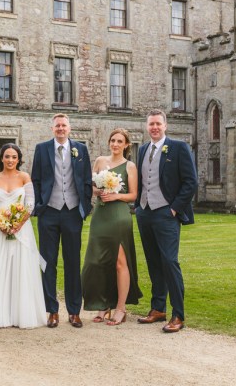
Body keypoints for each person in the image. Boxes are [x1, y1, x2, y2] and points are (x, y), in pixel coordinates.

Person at [135, 109, 197, 333]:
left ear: (165, 125)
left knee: (170, 262)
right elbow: (142, 182)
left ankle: (178, 315)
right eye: (151, 124)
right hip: (144, 212)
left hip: (166, 213)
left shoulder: (179, 147)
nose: (154, 127)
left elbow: (191, 182)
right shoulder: (142, 149)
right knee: (153, 262)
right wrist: (138, 207)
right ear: (146, 126)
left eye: (158, 124)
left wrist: (173, 210)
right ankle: (158, 308)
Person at [32, 113, 92, 328]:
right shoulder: (42, 149)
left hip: (73, 212)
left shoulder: (81, 150)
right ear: (52, 128)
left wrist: (85, 206)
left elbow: (86, 180)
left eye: (64, 125)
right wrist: (40, 205)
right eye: (57, 125)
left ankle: (74, 311)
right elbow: (36, 179)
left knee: (72, 262)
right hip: (49, 211)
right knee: (48, 262)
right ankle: (52, 310)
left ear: (69, 128)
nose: (60, 129)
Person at [0, 144, 47, 329]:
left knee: (21, 267)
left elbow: (31, 204)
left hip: (21, 229)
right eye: (7, 156)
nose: (10, 160)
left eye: (14, 157)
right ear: (0, 158)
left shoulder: (24, 177)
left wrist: (17, 223)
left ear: (18, 159)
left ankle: (21, 313)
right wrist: (0, 221)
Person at [82, 129, 142, 326]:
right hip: (100, 215)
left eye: (119, 141)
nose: (115, 144)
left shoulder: (130, 166)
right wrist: (98, 190)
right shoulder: (100, 161)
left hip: (118, 215)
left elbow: (133, 195)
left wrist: (116, 195)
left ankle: (120, 308)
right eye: (113, 140)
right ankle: (103, 304)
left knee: (118, 262)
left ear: (126, 145)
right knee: (97, 261)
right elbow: (90, 187)